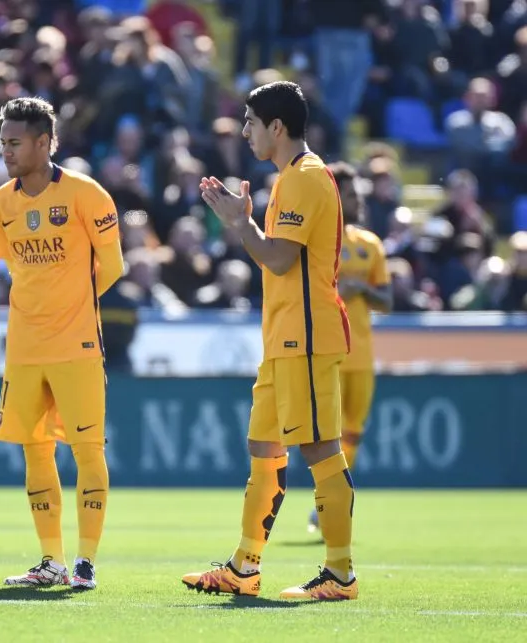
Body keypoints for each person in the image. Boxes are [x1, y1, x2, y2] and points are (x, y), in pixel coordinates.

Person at [181, 81, 358, 600]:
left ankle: (340, 574)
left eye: (251, 122)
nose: (245, 131)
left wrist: (241, 223)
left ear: (276, 127)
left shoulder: (304, 177)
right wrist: (244, 221)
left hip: (306, 336)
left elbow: (279, 257)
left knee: (321, 448)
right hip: (284, 338)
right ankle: (243, 567)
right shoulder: (289, 177)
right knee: (264, 447)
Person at [0, 97, 124, 590]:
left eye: (14, 142)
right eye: (3, 142)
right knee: (35, 450)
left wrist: (72, 305)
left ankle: (85, 563)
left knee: (88, 450)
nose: (5, 150)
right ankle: (51, 562)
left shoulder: (87, 194)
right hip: (24, 348)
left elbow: (112, 267)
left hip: (76, 345)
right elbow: (16, 268)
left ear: (44, 143)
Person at [309, 162, 392, 534]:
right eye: (348, 192)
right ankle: (327, 498)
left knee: (353, 431)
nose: (356, 199)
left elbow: (387, 300)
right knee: (325, 433)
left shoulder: (369, 245)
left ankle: (330, 500)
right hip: (328, 350)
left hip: (362, 354)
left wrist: (363, 290)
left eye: (357, 192)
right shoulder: (316, 241)